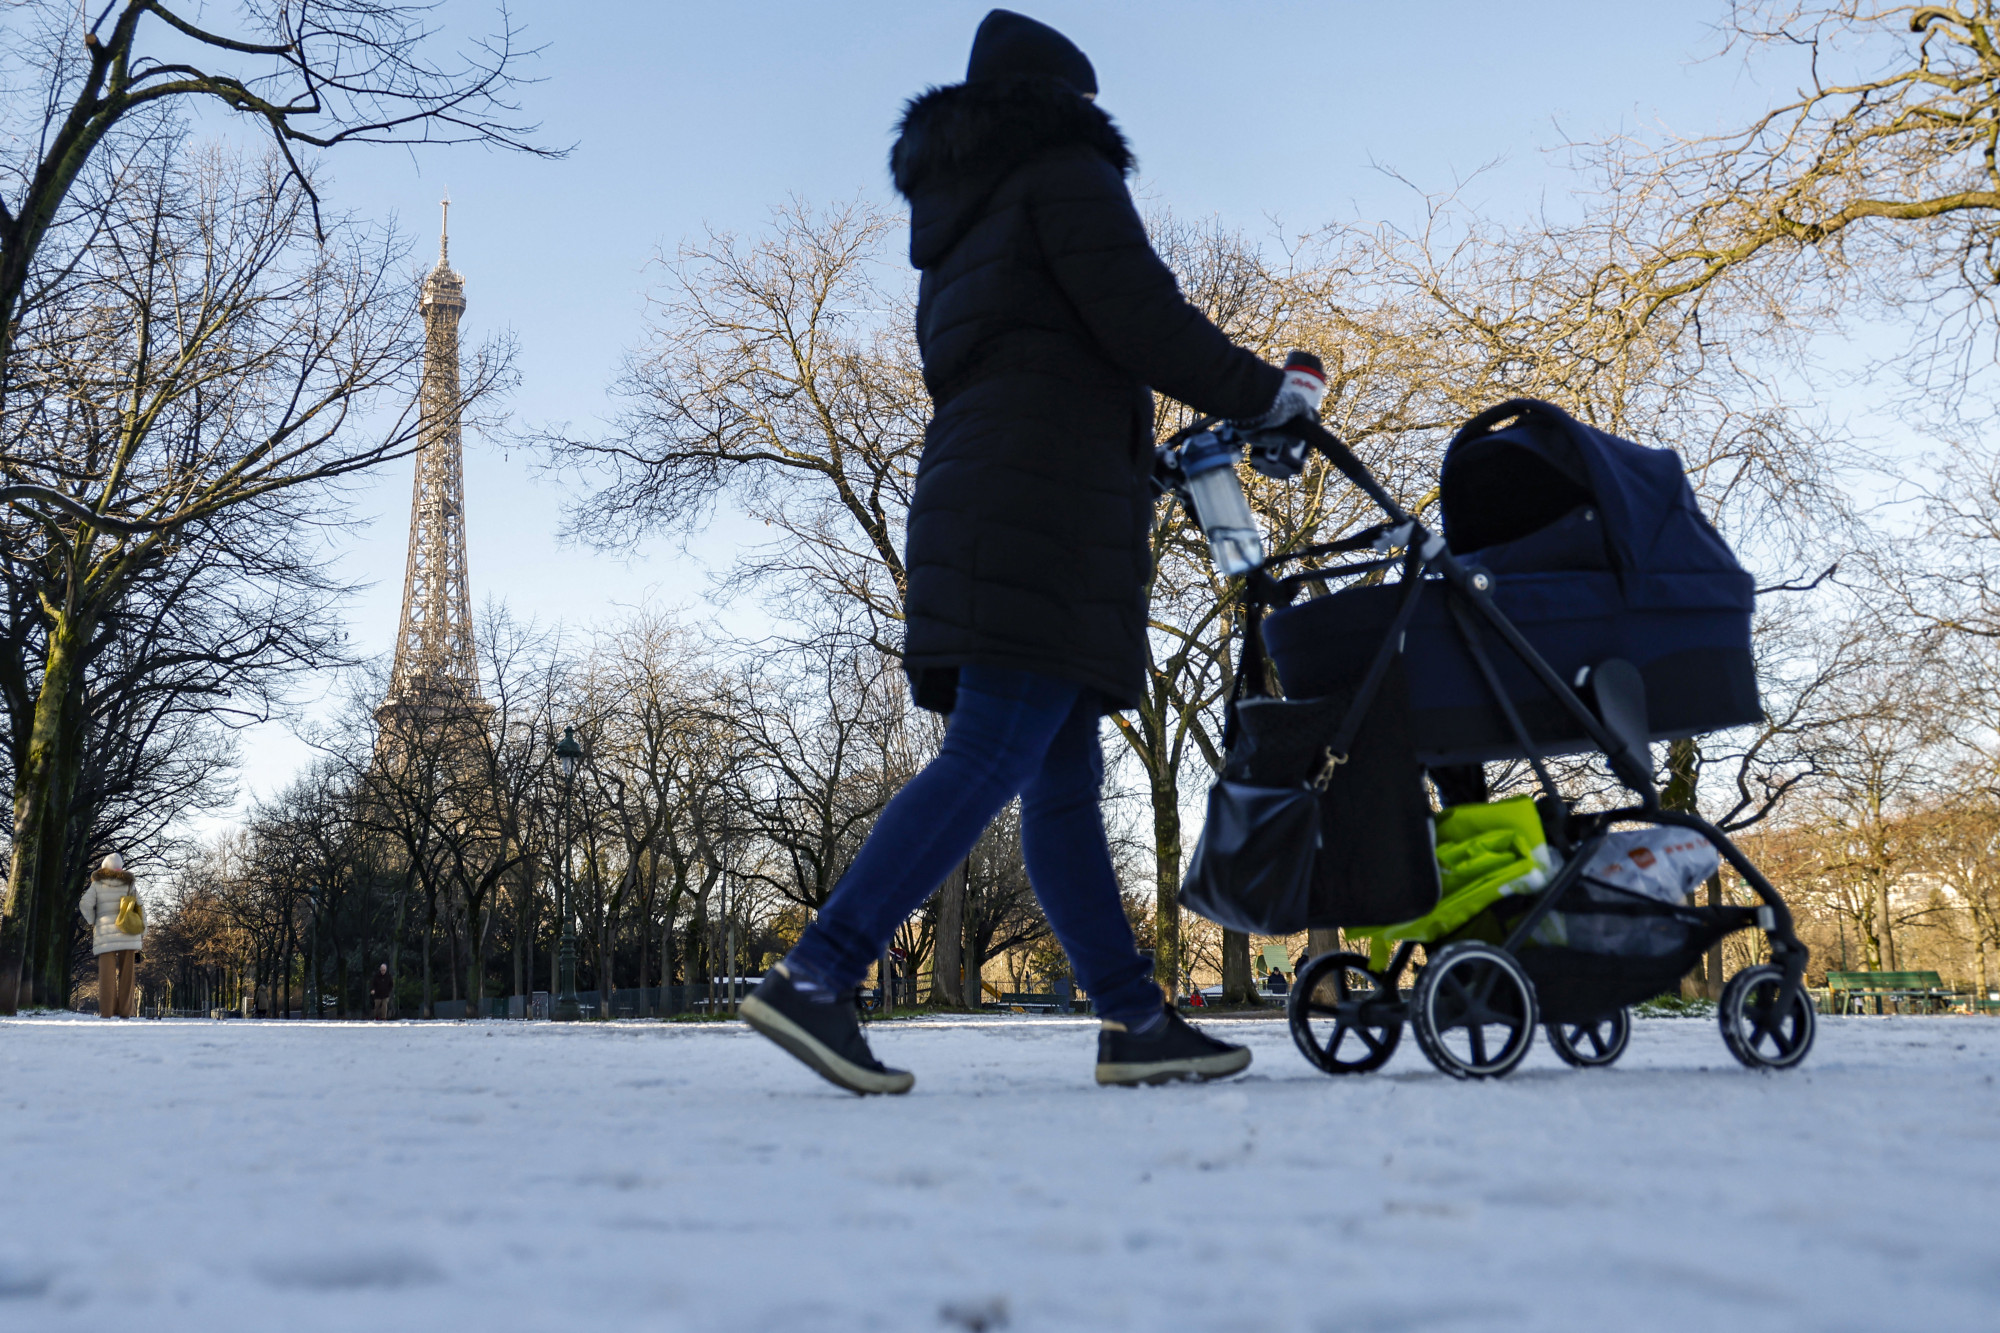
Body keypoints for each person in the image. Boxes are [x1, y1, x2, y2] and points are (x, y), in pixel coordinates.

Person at [742, 10, 1325, 1095]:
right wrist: (1266, 395)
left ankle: (1132, 1020)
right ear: (1060, 108)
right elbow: (1139, 317)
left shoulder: (957, 225)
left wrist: (1140, 461)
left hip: (997, 488)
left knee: (1058, 776)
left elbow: (1043, 363)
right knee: (994, 746)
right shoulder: (1062, 175)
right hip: (1038, 508)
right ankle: (819, 972)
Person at [78, 853, 142, 1019]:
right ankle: (125, 1011)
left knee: (106, 974)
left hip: (105, 935)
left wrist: (94, 920)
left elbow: (84, 903)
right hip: (128, 932)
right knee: (127, 974)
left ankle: (107, 1011)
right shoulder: (129, 883)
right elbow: (140, 906)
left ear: (104, 867)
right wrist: (143, 930)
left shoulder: (97, 884)